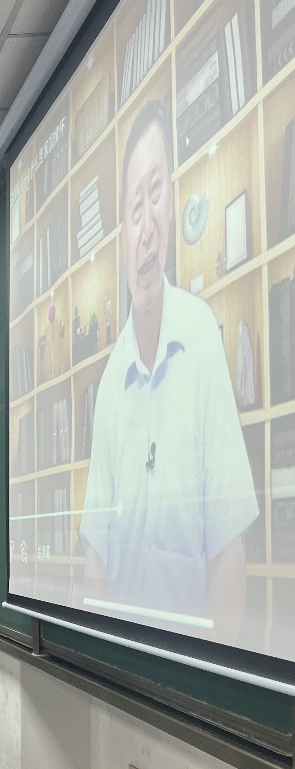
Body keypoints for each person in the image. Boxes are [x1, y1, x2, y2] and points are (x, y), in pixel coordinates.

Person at [79, 100, 258, 641]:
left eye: (155, 193)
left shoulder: (201, 336)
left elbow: (228, 548)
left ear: (175, 200)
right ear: (122, 239)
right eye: (134, 209)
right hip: (122, 662)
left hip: (187, 664)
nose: (147, 226)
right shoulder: (111, 383)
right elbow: (96, 558)